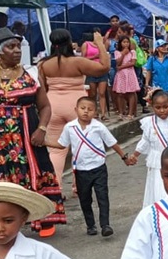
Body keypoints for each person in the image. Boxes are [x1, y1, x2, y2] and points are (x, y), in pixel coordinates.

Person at [0, 28, 67, 237]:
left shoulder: (30, 73)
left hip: (27, 136)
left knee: (36, 172)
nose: (17, 51)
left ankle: (44, 219)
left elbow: (45, 107)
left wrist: (41, 129)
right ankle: (0, 222)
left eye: (18, 46)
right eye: (11, 47)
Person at [44, 97, 128, 236]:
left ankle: (105, 225)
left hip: (99, 167)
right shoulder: (70, 127)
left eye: (90, 109)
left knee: (102, 196)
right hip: (81, 170)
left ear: (95, 112)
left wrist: (124, 157)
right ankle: (90, 225)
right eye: (83, 108)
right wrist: (44, 142)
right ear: (76, 110)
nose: (86, 112)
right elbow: (62, 144)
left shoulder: (98, 127)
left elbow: (112, 142)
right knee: (85, 199)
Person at [39, 29, 111, 192]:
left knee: (56, 150)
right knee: (80, 146)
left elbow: (42, 88)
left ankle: (56, 187)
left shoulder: (43, 64)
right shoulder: (77, 62)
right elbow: (105, 67)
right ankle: (78, 185)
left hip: (53, 105)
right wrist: (99, 43)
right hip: (77, 106)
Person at [81, 30, 111, 120]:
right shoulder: (86, 44)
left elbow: (106, 56)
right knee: (92, 94)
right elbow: (83, 58)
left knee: (102, 93)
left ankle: (103, 113)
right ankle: (94, 111)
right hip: (91, 70)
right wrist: (95, 56)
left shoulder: (102, 45)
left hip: (102, 71)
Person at [112, 35, 139, 120]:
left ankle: (130, 113)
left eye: (127, 42)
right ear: (120, 43)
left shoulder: (132, 52)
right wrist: (123, 53)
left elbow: (133, 63)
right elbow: (118, 62)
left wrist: (122, 67)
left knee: (131, 93)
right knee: (120, 93)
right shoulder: (117, 52)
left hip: (130, 73)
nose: (126, 44)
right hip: (121, 75)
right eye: (124, 42)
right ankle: (120, 112)